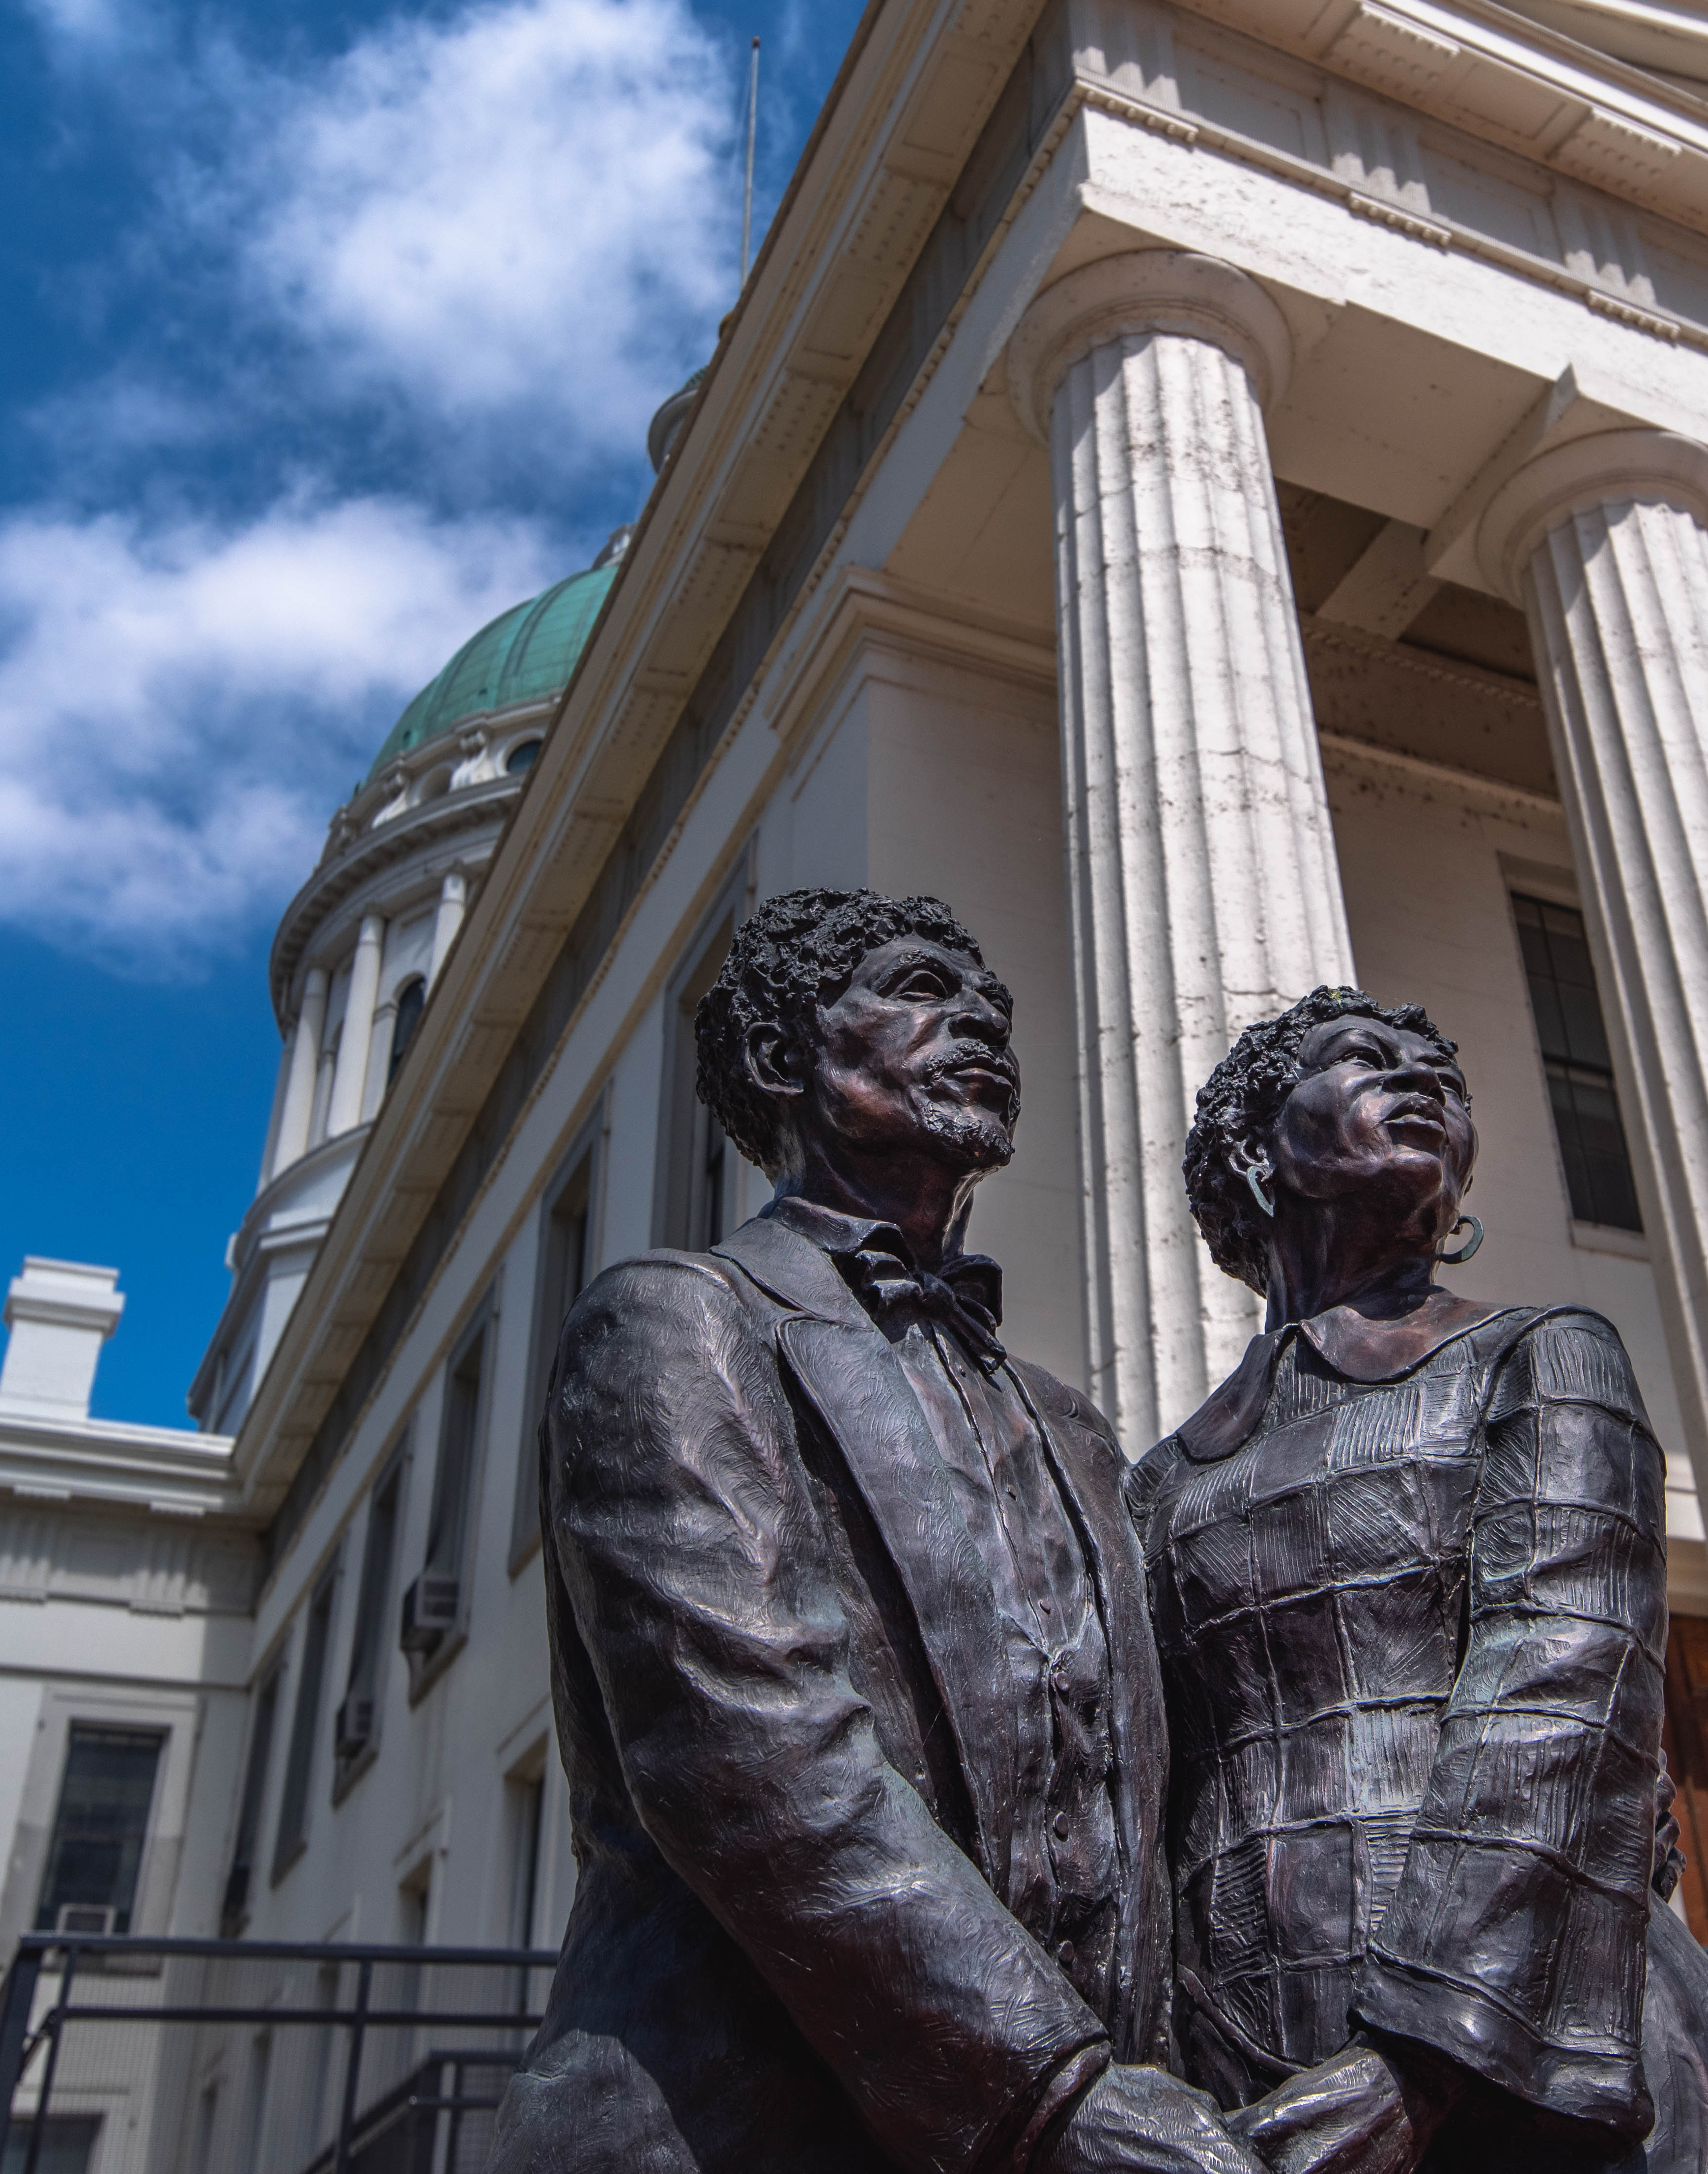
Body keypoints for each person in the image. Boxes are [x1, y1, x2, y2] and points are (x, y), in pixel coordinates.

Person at [497, 889, 1265, 2174]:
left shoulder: (1070, 1428)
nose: (975, 1018)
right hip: (742, 2130)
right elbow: (753, 1757)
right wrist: (1051, 2098)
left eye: (990, 1008)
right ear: (775, 1059)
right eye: (917, 987)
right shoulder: (676, 1325)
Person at [1130, 987, 1708, 2174]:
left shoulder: (1540, 1355)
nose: (1426, 1080)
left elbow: (1561, 1696)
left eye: (1441, 1068)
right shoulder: (1157, 1485)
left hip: (1517, 2054)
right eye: (1365, 1059)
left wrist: (1424, 2059)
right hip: (1234, 2055)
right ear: (1253, 1148)